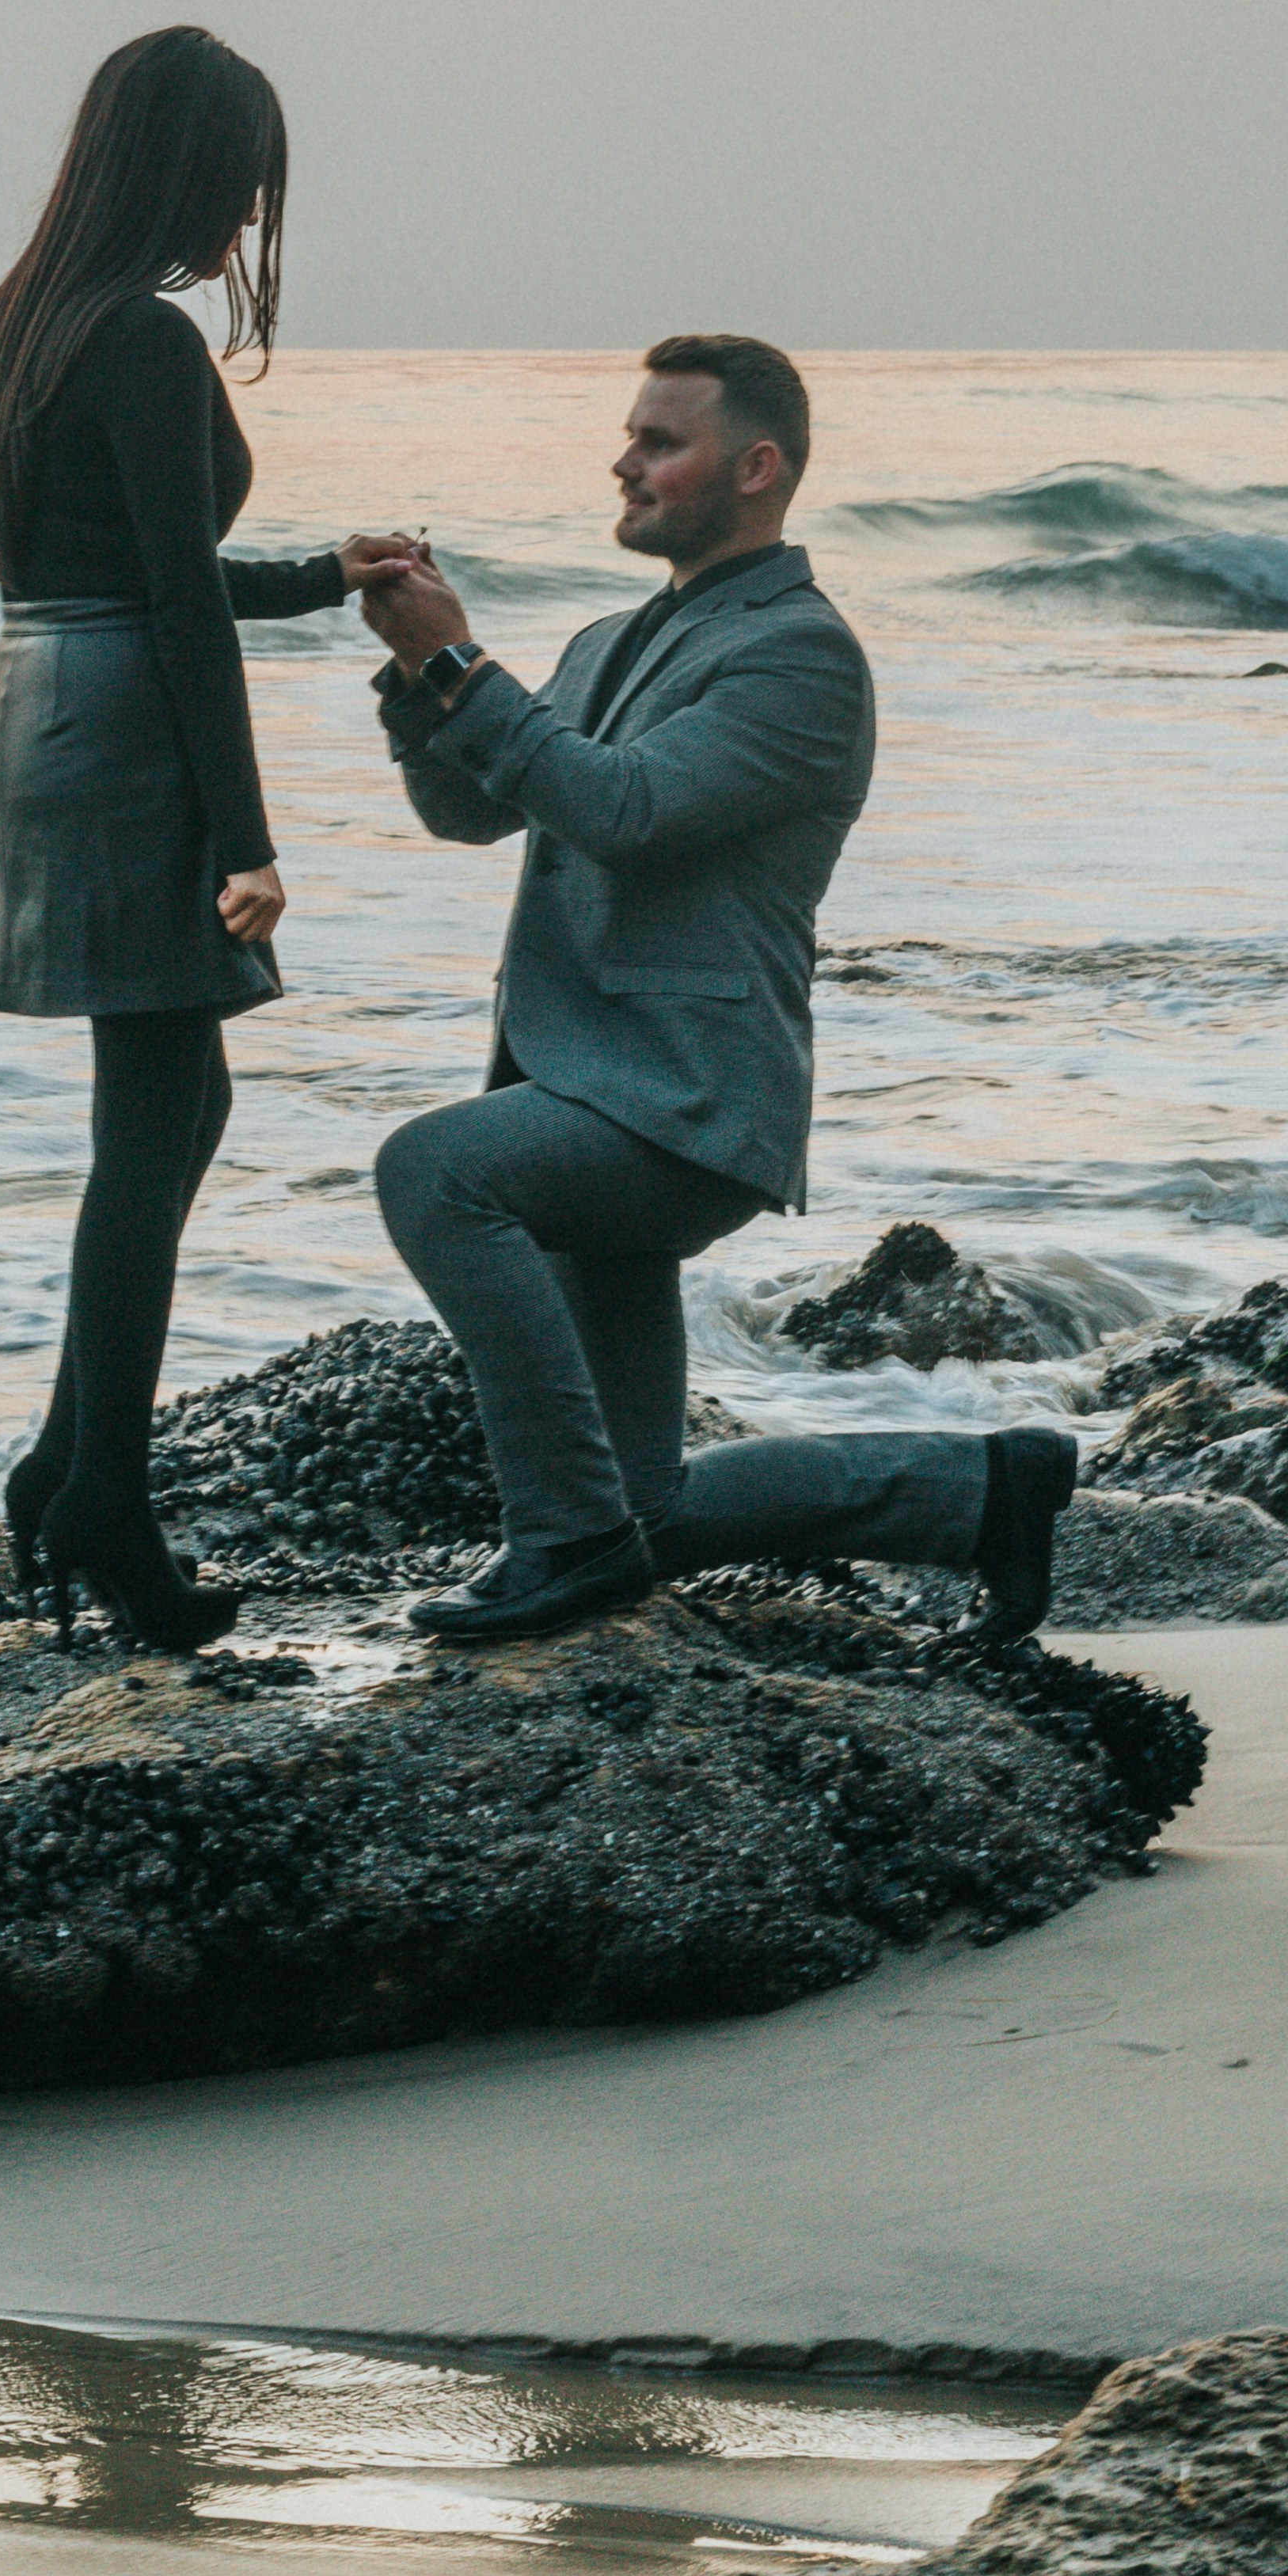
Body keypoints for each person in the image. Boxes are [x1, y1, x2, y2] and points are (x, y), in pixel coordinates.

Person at [363, 338, 1077, 1648]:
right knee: (649, 1513)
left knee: (434, 1172)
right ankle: (984, 1491)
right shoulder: (606, 639)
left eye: (660, 442)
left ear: (757, 470)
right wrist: (421, 679)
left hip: (688, 1102)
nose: (624, 463)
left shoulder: (799, 657)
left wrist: (467, 671)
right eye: (629, 435)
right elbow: (469, 807)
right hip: (586, 1082)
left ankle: (561, 1545)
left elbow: (628, 812)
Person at [0, 24, 413, 1655]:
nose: (246, 229)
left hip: (40, 704)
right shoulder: (139, 341)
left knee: (165, 1101)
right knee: (156, 1117)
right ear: (186, 177)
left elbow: (124, 566)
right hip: (127, 728)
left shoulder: (21, 325)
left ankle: (70, 1467)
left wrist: (310, 578)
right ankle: (101, 1505)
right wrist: (248, 839)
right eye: (239, 190)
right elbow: (169, 614)